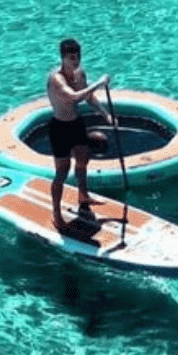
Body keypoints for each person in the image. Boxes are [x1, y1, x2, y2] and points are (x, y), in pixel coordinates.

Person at [45, 38, 114, 232]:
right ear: (62, 58)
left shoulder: (79, 73)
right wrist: (99, 83)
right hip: (59, 128)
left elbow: (88, 97)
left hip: (76, 124)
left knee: (83, 160)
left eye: (77, 57)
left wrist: (104, 113)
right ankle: (57, 214)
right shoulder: (56, 79)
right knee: (62, 172)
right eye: (71, 58)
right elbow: (73, 96)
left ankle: (83, 194)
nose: (75, 61)